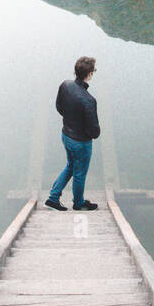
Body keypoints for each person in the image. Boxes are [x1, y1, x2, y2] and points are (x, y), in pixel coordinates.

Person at [45, 56, 100, 211]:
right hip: (81, 142)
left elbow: (59, 107)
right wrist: (85, 131)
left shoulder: (65, 85)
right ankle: (78, 203)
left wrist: (71, 120)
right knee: (80, 173)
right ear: (89, 74)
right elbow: (94, 131)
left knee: (70, 165)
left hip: (66, 135)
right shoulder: (89, 100)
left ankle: (53, 199)